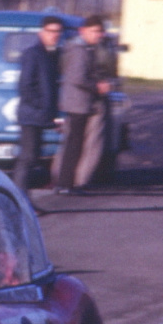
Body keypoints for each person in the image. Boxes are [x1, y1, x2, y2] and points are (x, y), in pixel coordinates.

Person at [52, 15, 117, 194]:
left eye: (100, 32)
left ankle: (68, 183)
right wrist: (97, 87)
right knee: (73, 145)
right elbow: (77, 77)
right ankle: (65, 184)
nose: (98, 35)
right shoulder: (78, 50)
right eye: (94, 31)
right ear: (83, 31)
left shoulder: (85, 48)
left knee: (76, 144)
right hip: (77, 104)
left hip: (81, 103)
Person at [13, 18, 66, 193]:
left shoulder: (51, 54)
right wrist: (43, 107)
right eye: (51, 31)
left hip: (39, 115)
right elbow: (25, 86)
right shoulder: (33, 53)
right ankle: (20, 203)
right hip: (31, 115)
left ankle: (24, 201)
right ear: (41, 33)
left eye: (58, 31)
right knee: (27, 159)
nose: (55, 35)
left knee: (32, 159)